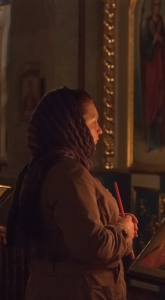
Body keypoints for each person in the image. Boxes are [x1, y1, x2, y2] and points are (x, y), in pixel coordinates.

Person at [6, 87, 138, 300]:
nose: (100, 129)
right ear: (71, 127)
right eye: (93, 121)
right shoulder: (68, 173)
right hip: (81, 290)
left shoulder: (43, 167)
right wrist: (124, 230)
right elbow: (92, 246)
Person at [140, 0, 165, 151]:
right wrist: (153, 42)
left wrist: (161, 41)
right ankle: (151, 142)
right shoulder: (148, 24)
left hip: (160, 66)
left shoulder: (161, 22)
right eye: (155, 5)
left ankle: (161, 139)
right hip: (151, 68)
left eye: (159, 5)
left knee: (161, 102)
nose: (156, 8)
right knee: (152, 101)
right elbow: (145, 48)